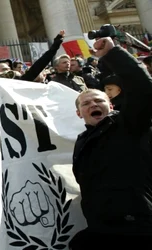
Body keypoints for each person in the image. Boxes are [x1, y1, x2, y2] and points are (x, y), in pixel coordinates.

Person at [69, 37, 152, 249]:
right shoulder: (81, 142)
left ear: (111, 105)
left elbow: (143, 88)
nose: (93, 104)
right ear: (79, 113)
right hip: (101, 228)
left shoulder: (129, 125)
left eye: (99, 100)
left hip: (137, 227)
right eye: (86, 103)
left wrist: (114, 54)